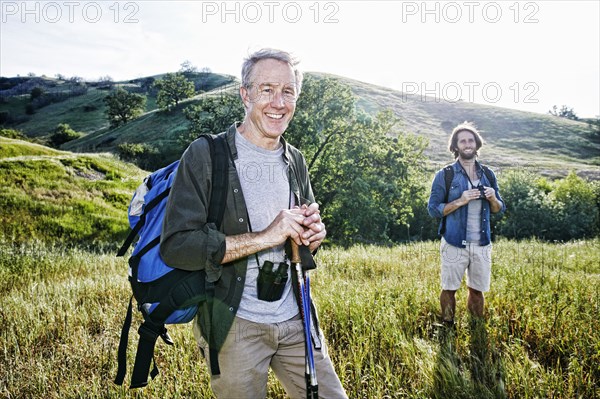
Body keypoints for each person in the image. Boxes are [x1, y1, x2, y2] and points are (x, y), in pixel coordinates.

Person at [160, 48, 347, 399]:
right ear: (245, 95)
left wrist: (312, 236)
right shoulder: (205, 155)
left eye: (288, 91)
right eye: (267, 90)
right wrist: (264, 237)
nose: (278, 102)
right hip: (236, 324)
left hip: (295, 316)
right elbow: (177, 246)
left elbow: (301, 245)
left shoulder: (296, 160)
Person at [427, 122, 505, 327]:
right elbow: (433, 209)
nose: (467, 144)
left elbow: (499, 208)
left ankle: (476, 328)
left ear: (477, 144)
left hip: (482, 244)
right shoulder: (445, 175)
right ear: (456, 146)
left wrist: (493, 199)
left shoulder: (488, 174)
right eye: (463, 141)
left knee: (477, 290)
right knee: (449, 288)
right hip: (453, 243)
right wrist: (460, 200)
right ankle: (447, 326)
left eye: (471, 140)